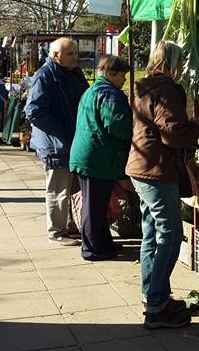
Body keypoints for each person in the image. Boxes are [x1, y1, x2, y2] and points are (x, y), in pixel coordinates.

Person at [125, 41, 199, 330]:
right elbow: (172, 134)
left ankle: (153, 297)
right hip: (156, 169)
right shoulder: (166, 89)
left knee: (152, 234)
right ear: (173, 62)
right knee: (170, 234)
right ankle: (156, 305)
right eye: (180, 62)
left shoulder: (145, 86)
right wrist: (194, 127)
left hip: (142, 166)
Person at [25, 38, 89, 246]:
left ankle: (71, 226)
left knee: (73, 189)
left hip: (74, 141)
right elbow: (33, 111)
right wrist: (62, 131)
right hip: (56, 144)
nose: (75, 57)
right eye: (70, 53)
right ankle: (57, 231)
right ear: (55, 55)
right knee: (58, 189)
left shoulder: (74, 73)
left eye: (75, 53)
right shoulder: (45, 76)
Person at [70, 55, 132, 262]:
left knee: (98, 204)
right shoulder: (109, 94)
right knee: (94, 206)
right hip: (98, 158)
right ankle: (91, 249)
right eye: (122, 75)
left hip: (89, 155)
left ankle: (102, 242)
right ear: (110, 73)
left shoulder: (92, 90)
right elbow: (117, 126)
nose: (124, 80)